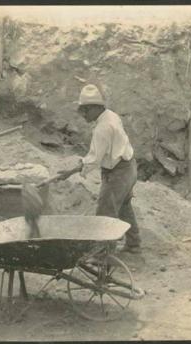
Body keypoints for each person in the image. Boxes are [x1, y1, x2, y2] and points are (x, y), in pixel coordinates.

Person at [58, 84, 141, 253]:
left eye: (86, 110)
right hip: (129, 167)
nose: (83, 115)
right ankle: (134, 243)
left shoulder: (103, 128)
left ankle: (103, 254)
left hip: (119, 173)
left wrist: (70, 172)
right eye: (82, 110)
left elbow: (93, 159)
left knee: (105, 213)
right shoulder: (111, 116)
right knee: (124, 206)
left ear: (97, 107)